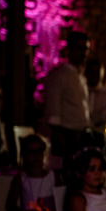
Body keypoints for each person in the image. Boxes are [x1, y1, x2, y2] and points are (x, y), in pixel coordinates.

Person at [6, 134, 60, 211]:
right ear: (24, 154)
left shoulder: (53, 177)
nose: (35, 155)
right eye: (31, 151)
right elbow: (10, 205)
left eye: (39, 151)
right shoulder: (21, 179)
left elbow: (61, 202)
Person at [43, 31, 92, 163]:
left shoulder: (80, 76)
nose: (84, 53)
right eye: (80, 48)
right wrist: (61, 139)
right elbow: (53, 111)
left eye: (86, 49)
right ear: (69, 50)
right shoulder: (60, 76)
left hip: (81, 135)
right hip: (67, 136)